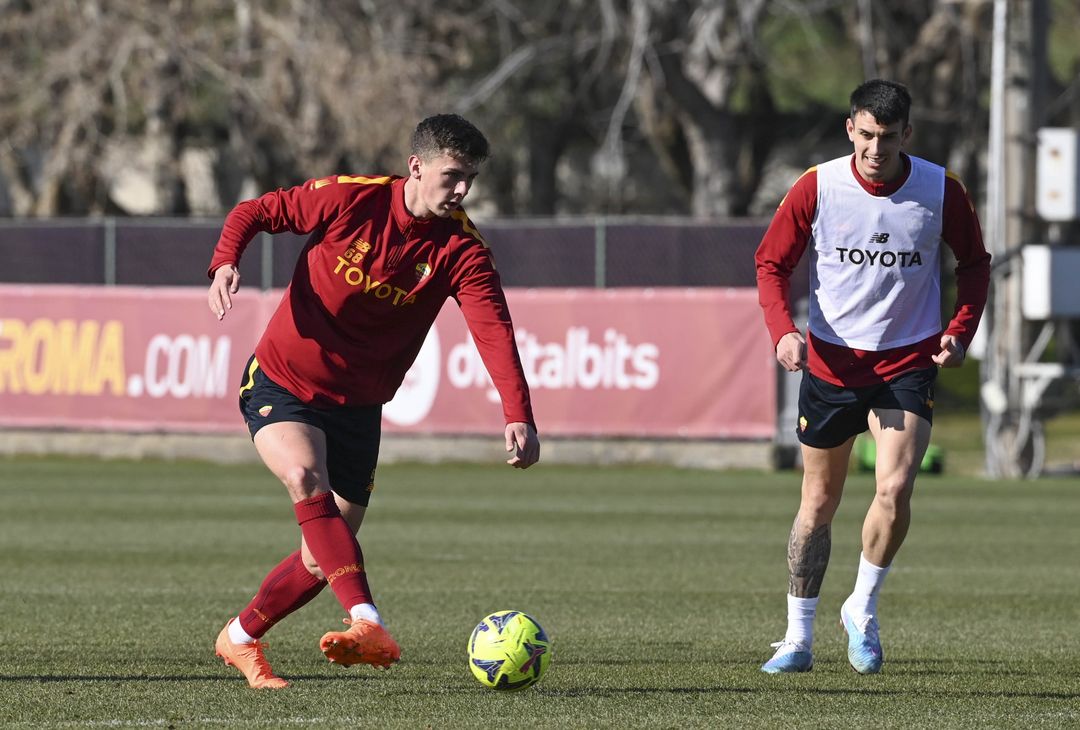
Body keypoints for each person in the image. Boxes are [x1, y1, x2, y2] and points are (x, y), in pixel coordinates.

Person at [206, 113, 540, 689]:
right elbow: (254, 212)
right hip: (283, 382)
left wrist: (518, 414)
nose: (461, 191)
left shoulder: (462, 249)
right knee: (305, 477)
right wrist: (225, 260)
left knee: (321, 556)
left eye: (470, 180)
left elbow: (494, 330)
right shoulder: (348, 199)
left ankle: (239, 639)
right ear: (416, 166)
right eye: (452, 175)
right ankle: (367, 620)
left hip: (358, 408)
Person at [754, 79, 990, 674]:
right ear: (849, 130)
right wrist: (783, 330)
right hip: (832, 364)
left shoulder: (941, 189)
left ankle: (861, 606)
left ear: (907, 134)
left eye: (887, 137)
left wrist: (959, 330)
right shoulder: (817, 185)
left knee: (894, 487)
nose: (875, 149)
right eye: (864, 135)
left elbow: (975, 265)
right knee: (818, 502)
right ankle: (798, 638)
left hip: (906, 362)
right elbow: (771, 263)